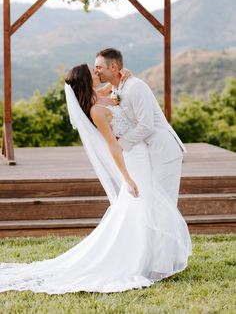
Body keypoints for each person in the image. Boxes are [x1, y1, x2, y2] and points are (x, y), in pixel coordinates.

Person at [0, 64, 192, 294]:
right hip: (133, 159)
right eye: (93, 71)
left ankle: (153, 258)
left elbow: (115, 93)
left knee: (144, 206)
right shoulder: (96, 110)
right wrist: (127, 178)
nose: (97, 73)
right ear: (85, 79)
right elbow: (113, 146)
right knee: (142, 204)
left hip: (142, 152)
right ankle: (144, 260)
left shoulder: (98, 96)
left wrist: (121, 80)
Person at [95, 48, 186, 206]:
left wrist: (119, 145)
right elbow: (93, 95)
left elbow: (146, 126)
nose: (97, 72)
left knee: (164, 204)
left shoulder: (135, 86)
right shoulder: (116, 88)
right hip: (146, 153)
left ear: (113, 67)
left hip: (164, 150)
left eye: (99, 67)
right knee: (151, 203)